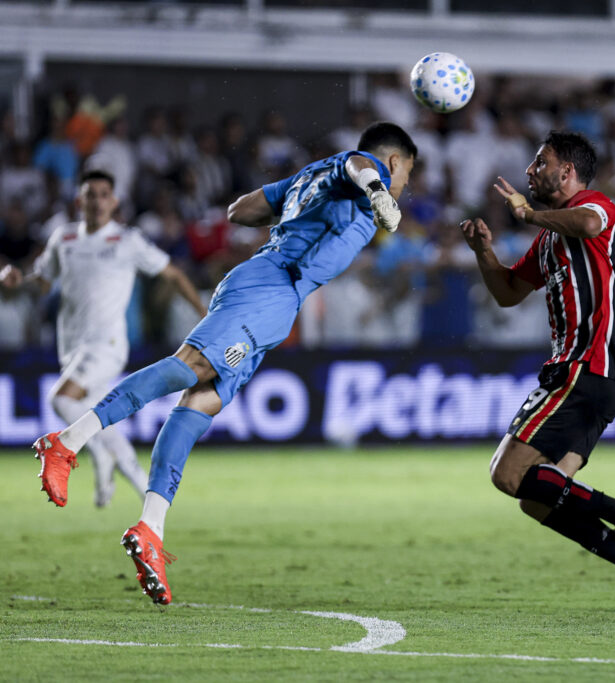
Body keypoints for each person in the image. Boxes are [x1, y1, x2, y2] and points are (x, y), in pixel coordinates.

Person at [32, 122, 415, 606]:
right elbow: (356, 164)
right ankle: (66, 441)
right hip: (270, 287)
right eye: (407, 175)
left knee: (199, 404)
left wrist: (299, 203)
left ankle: (150, 528)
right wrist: (378, 191)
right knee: (188, 367)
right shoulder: (366, 170)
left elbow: (240, 211)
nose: (405, 186)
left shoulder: (310, 176)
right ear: (396, 162)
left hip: (273, 293)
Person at [460, 130, 615, 614]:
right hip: (597, 377)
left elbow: (590, 224)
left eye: (541, 162)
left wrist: (527, 213)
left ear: (568, 172)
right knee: (539, 500)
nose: (530, 171)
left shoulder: (598, 208)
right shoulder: (550, 240)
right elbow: (509, 292)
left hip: (583, 367)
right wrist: (483, 253)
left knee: (505, 474)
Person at [1, 169, 205, 507]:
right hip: (72, 347)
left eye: (103, 194)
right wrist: (18, 279)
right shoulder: (63, 238)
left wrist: (203, 311)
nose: (97, 201)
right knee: (101, 419)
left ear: (114, 201)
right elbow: (43, 280)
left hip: (107, 345)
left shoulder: (127, 240)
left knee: (61, 400)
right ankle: (144, 490)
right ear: (79, 201)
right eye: (90, 194)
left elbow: (172, 273)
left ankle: (89, 452)